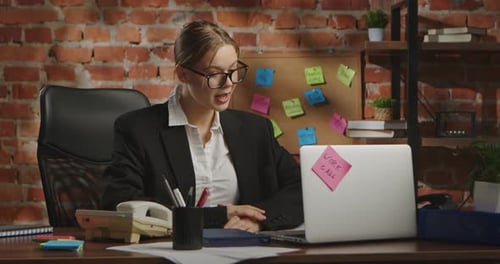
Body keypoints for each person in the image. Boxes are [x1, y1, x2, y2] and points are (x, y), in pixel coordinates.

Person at [101, 20, 303, 232]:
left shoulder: (255, 130)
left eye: (233, 70)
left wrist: (258, 219)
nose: (228, 83)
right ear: (182, 74)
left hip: (243, 251)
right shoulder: (137, 129)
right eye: (214, 74)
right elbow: (119, 204)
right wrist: (219, 216)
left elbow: (301, 189)